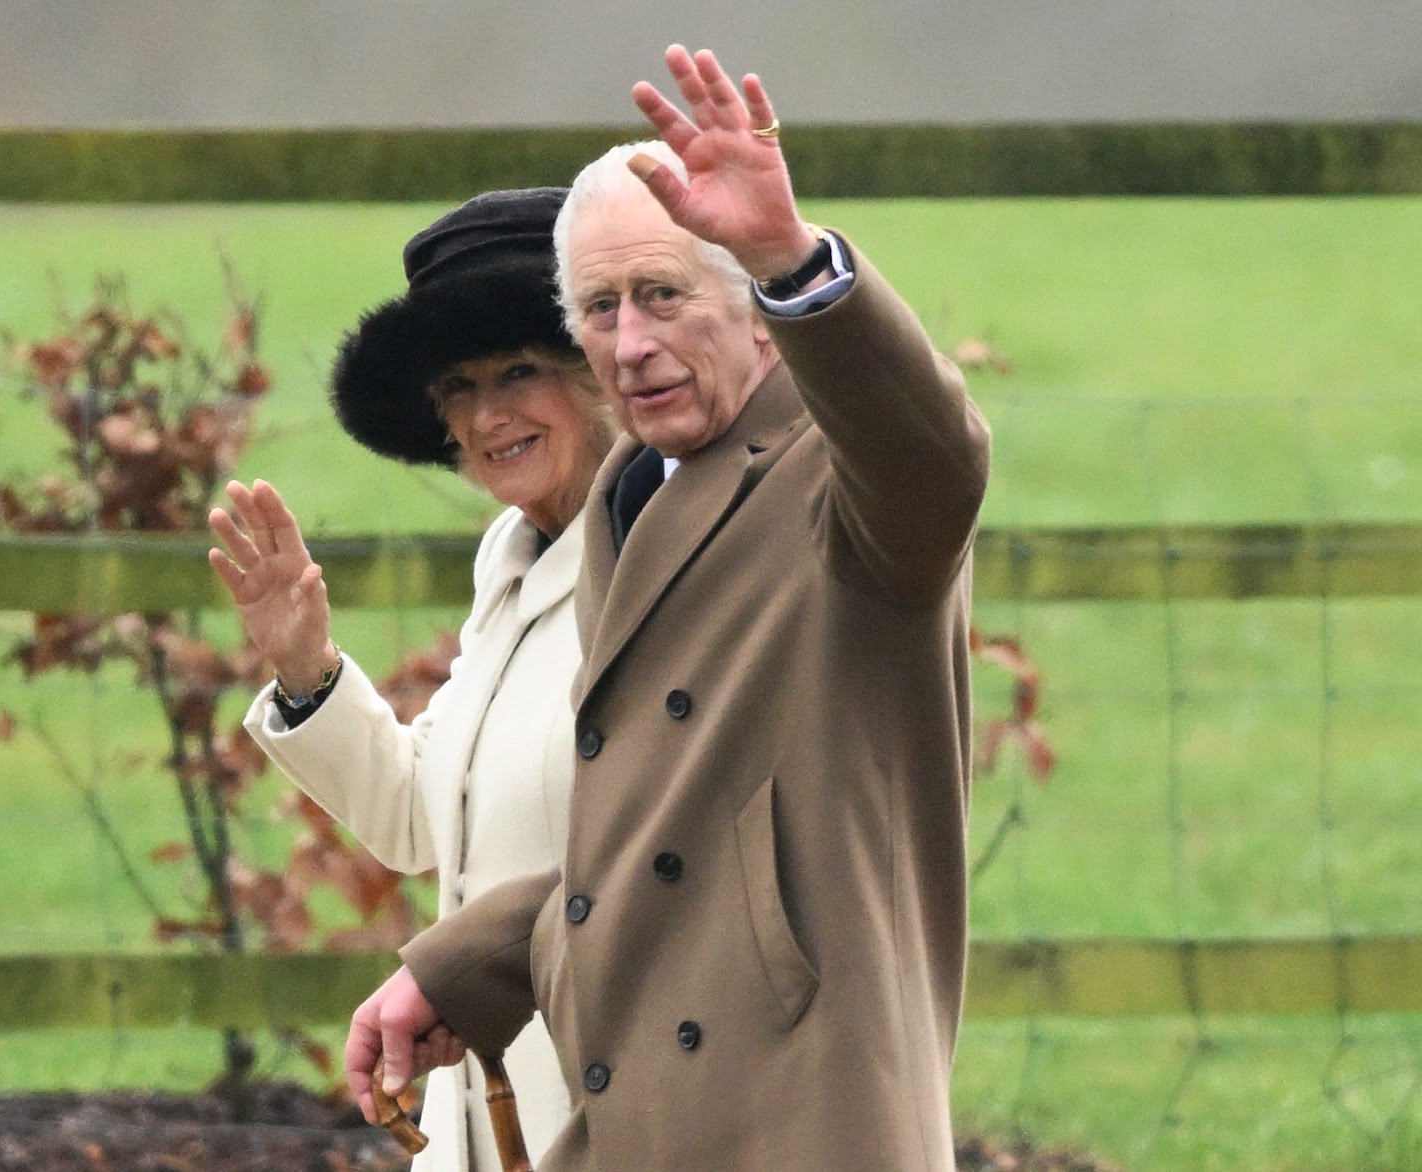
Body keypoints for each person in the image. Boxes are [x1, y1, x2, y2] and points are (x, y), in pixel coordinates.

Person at [345, 46, 992, 1171]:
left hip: (806, 1118)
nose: (631, 341)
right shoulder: (624, 498)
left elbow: (935, 456)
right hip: (639, 1107)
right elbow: (659, 841)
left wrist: (794, 259)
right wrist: (460, 967)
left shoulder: (839, 476)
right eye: (599, 308)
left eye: (662, 295)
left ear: (750, 309)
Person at [206, 187, 616, 1172]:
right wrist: (306, 666)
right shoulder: (509, 556)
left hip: (618, 1099)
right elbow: (424, 818)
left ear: (599, 371)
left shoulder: (666, 557)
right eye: (457, 388)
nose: (485, 415)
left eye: (520, 371)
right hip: (480, 1111)